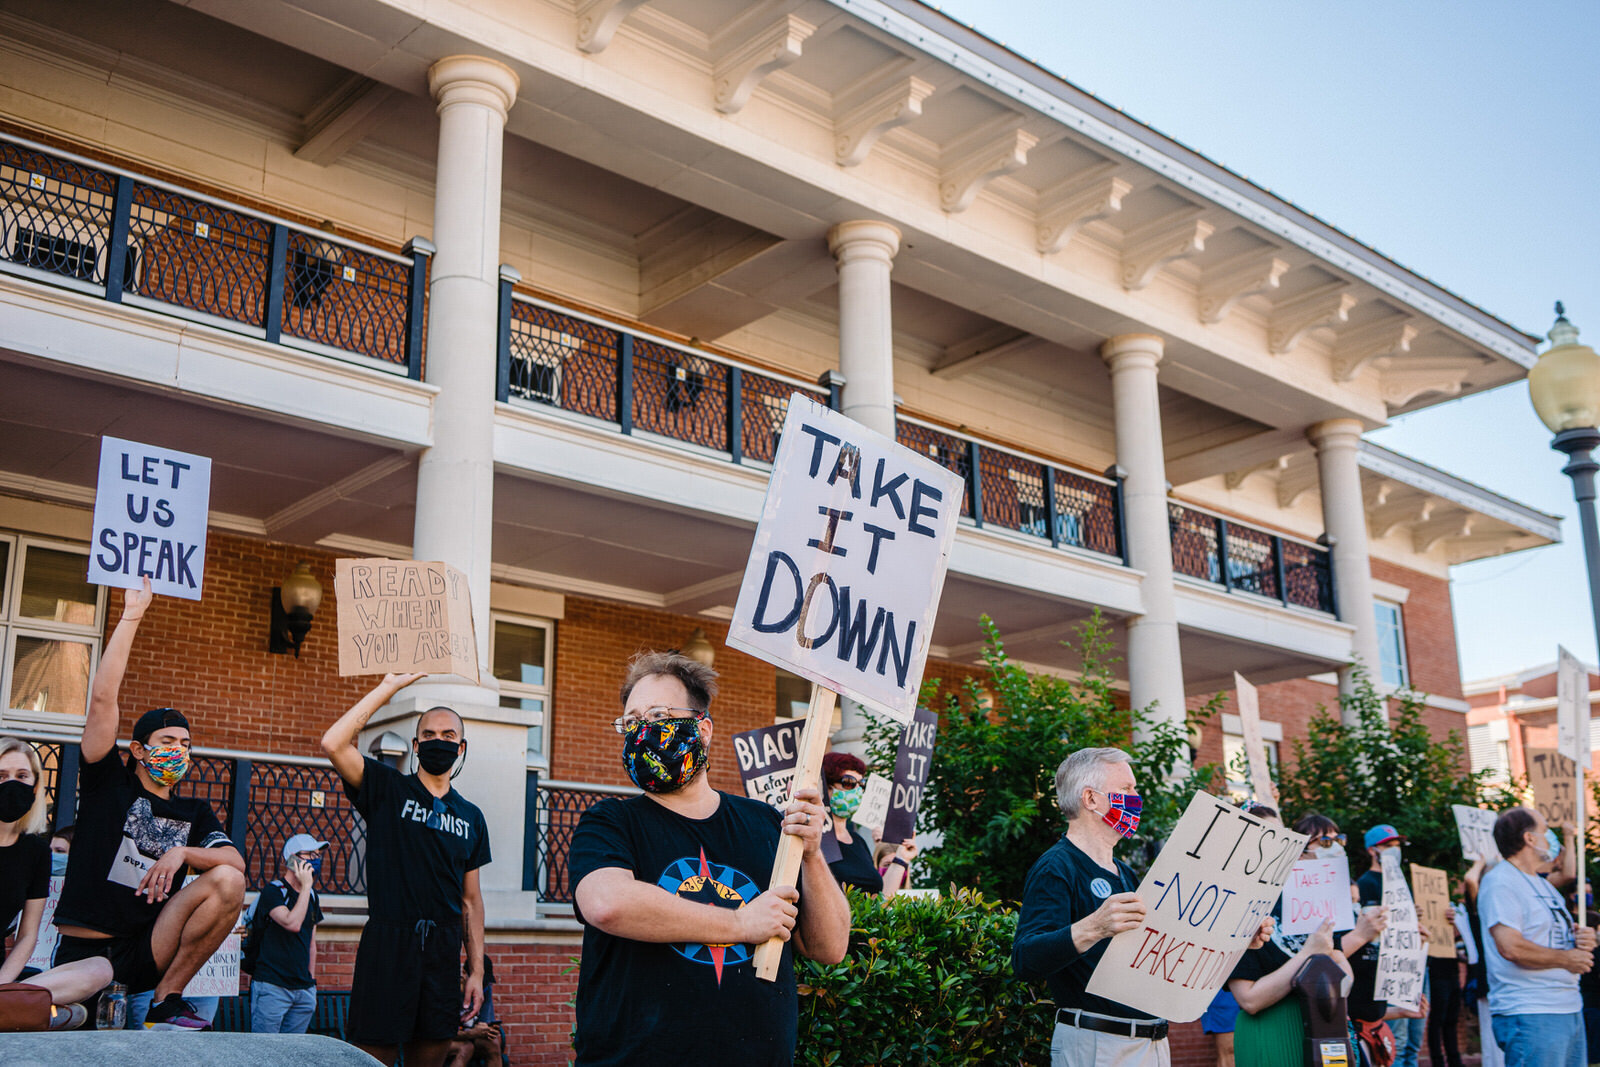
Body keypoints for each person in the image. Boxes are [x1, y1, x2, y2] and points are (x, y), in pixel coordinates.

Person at [568, 651, 850, 1065]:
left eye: (659, 714)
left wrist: (810, 854)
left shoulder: (766, 823)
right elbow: (607, 903)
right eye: (631, 722)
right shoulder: (609, 822)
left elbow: (829, 947)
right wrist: (740, 923)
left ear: (702, 729)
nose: (642, 730)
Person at [51, 577, 246, 1031]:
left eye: (186, 743)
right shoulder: (108, 786)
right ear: (139, 750)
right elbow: (102, 700)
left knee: (228, 881)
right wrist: (132, 616)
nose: (178, 749)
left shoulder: (194, 813)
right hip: (87, 950)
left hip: (146, 946)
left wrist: (182, 852)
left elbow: (234, 862)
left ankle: (167, 996)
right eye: (167, 740)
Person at [1012, 747, 1271, 1066]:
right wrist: (1094, 927)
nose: (1137, 797)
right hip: (1098, 1045)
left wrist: (1237, 941)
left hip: (1151, 1043)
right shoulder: (1057, 867)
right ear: (1091, 799)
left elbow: (1162, 954)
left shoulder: (1125, 872)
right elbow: (1025, 959)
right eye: (1126, 789)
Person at [322, 672, 492, 1067]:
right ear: (416, 746)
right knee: (372, 1058)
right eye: (429, 734)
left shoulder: (472, 817)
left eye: (449, 735)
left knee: (431, 1056)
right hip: (388, 942)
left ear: (461, 747)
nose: (439, 741)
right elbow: (333, 743)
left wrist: (477, 972)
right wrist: (388, 688)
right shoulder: (386, 788)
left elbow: (471, 901)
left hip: (442, 950)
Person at [1227, 813, 1384, 1067]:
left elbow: (1344, 979)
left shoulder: (1323, 900)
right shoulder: (1240, 903)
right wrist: (1306, 955)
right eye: (1269, 834)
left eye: (1284, 834)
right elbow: (1250, 1000)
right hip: (1271, 1034)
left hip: (1326, 1027)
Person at [0, 736, 111, 1029]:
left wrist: (3, 982)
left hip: (2, 976)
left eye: (21, 776)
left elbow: (27, 936)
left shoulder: (36, 851)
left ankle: (10, 1004)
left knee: (99, 969)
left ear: (35, 786)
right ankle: (24, 1010)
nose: (11, 784)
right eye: (1, 776)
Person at [1478, 805, 1596, 1067]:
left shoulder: (1542, 884)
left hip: (1566, 1006)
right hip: (1530, 1011)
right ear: (1529, 839)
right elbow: (1511, 947)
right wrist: (1567, 959)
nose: (1549, 838)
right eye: (1546, 832)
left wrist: (1581, 937)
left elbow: (1550, 936)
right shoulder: (1501, 882)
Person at [249, 833, 327, 1034]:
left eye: (318, 855)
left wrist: (311, 982)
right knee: (264, 1052)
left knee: (293, 1054)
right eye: (309, 854)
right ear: (292, 858)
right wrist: (306, 886)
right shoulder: (274, 892)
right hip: (273, 987)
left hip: (303, 990)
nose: (315, 860)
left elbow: (311, 942)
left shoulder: (311, 896)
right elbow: (292, 923)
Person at [446, 955, 504, 1067]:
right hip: (445, 1039)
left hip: (468, 1035)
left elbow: (484, 1022)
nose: (481, 987)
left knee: (493, 1044)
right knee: (466, 1048)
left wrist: (487, 1030)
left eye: (484, 983)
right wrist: (472, 1033)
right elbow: (443, 1032)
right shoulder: (449, 990)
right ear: (464, 973)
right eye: (480, 982)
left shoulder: (485, 989)